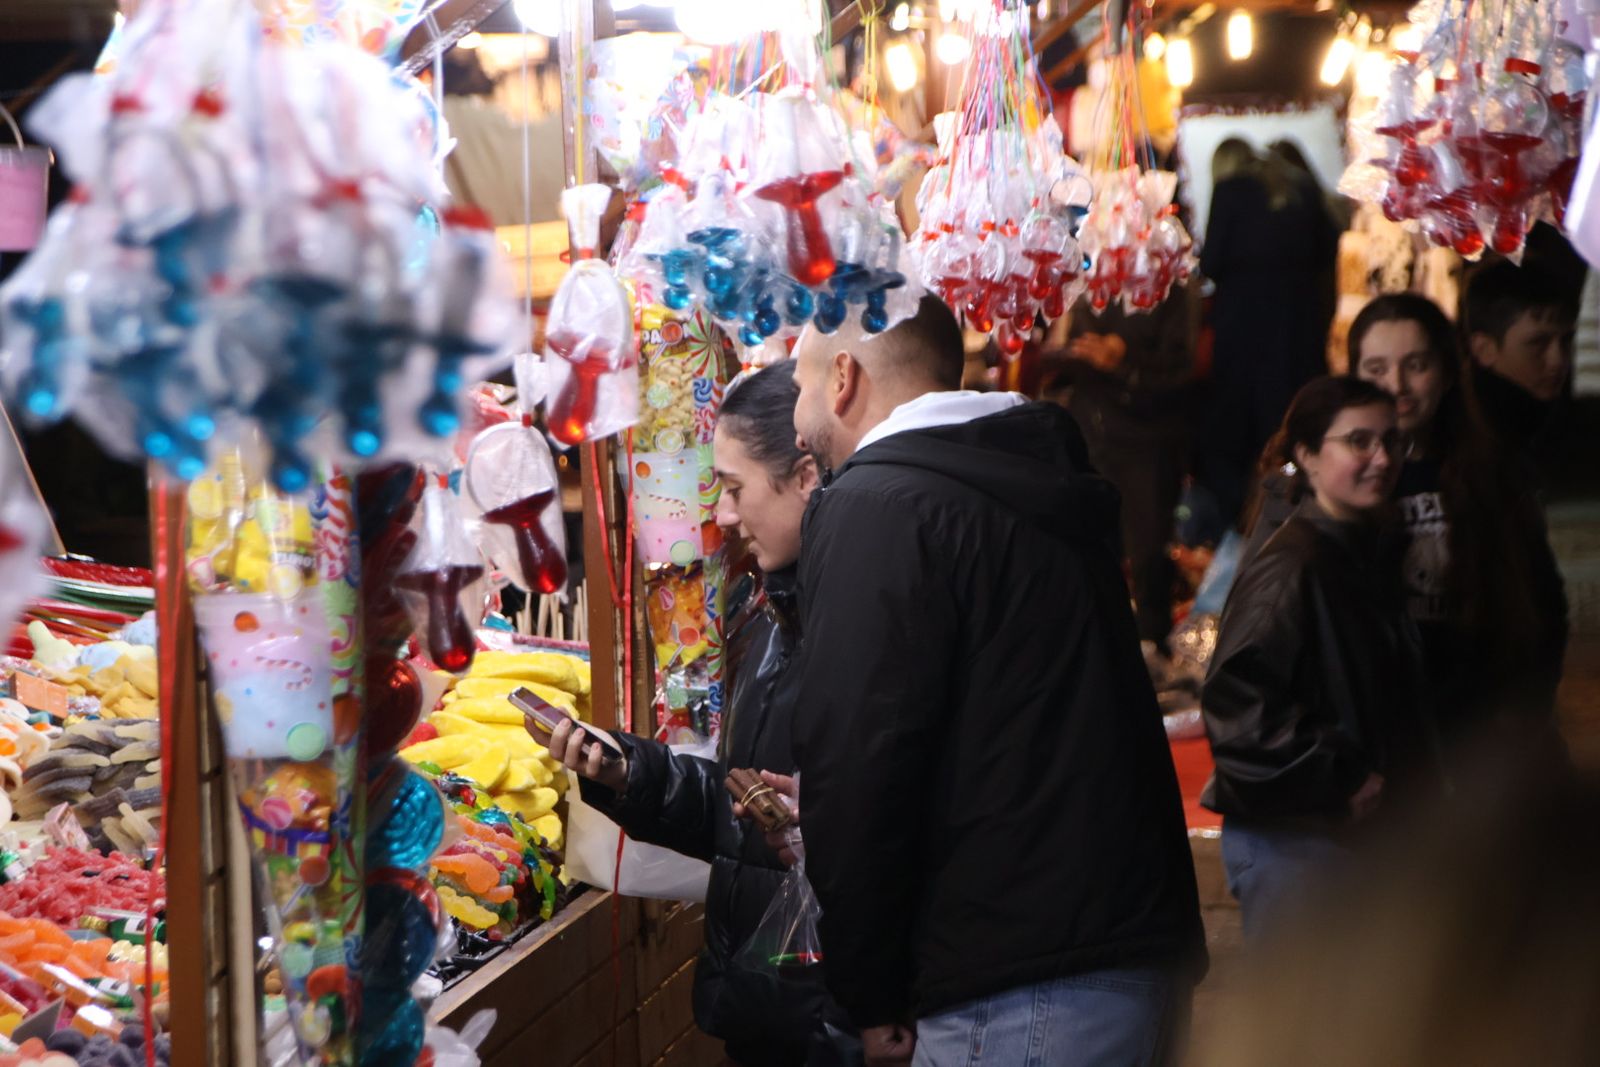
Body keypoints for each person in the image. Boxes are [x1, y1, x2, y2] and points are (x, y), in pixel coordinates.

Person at [788, 295, 1206, 1067]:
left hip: (1018, 983)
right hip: (1127, 955)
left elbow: (859, 764)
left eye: (801, 385)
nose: (798, 414)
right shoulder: (1027, 474)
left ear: (843, 377)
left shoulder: (879, 502)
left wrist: (868, 995)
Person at [547, 362, 861, 1067]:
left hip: (832, 1026)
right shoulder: (768, 617)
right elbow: (744, 813)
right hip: (770, 1014)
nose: (720, 514)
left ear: (805, 476)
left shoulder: (857, 630)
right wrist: (632, 774)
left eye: (733, 488)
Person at [1201, 377, 1439, 939]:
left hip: (1329, 838)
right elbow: (1238, 708)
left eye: (1391, 441)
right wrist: (1343, 776)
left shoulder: (1354, 546)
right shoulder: (1293, 563)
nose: (1381, 459)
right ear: (1306, 456)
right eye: (1358, 442)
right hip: (1298, 845)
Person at [1347, 293, 1567, 759]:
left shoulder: (1492, 469)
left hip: (1483, 734)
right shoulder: (1339, 483)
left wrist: (1524, 712)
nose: (1397, 385)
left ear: (1447, 371)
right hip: (1383, 740)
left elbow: (1544, 602)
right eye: (1376, 369)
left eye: (1416, 364)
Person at [1045, 279, 1200, 657]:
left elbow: (1182, 372)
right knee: (1089, 554)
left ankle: (1152, 652)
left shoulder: (1172, 285)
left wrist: (1123, 362)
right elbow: (1057, 353)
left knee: (1148, 557)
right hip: (1090, 433)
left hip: (1146, 440)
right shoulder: (1087, 276)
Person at [1198, 138, 1340, 531]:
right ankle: (1296, 517)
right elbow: (1330, 246)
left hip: (1243, 326)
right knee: (1288, 422)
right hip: (1298, 324)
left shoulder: (1229, 192)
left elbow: (1210, 261)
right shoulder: (1299, 186)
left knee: (1234, 430)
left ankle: (1245, 523)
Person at [1461, 260, 1577, 468]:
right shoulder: (1463, 447)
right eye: (1538, 343)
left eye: (1566, 340)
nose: (1558, 361)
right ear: (1484, 349)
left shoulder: (1574, 426)